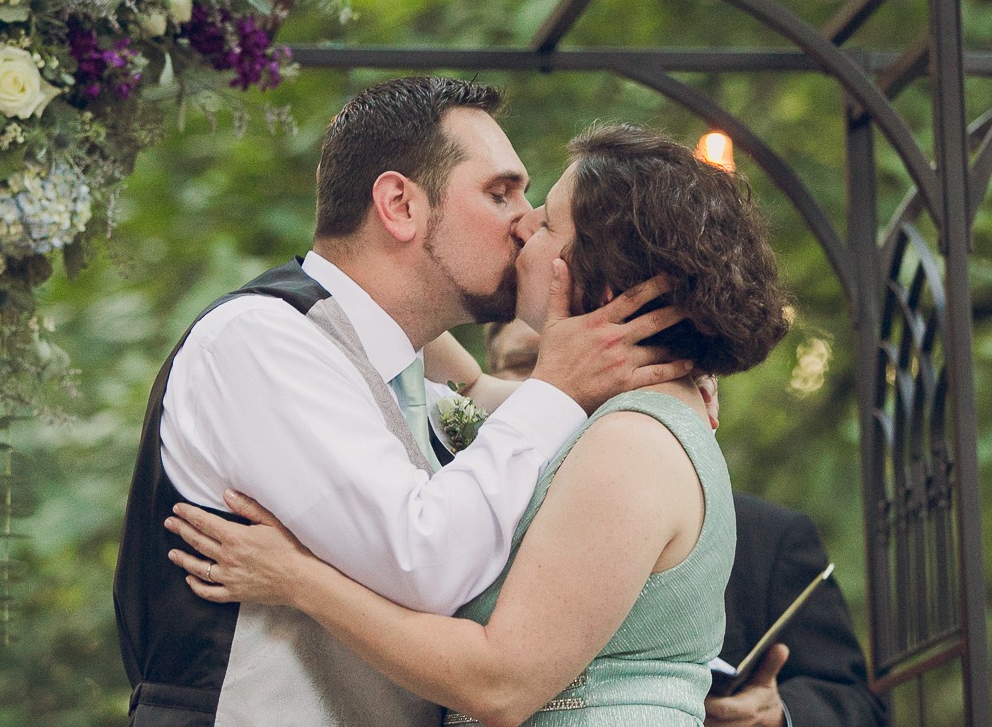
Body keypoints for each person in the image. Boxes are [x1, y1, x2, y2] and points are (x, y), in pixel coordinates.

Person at [167, 123, 793, 725]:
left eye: (546, 221)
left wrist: (300, 579)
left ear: (600, 284)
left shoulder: (632, 442)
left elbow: (499, 684)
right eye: (502, 197)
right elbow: (471, 388)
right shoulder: (600, 414)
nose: (523, 226)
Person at [483, 322, 888, 727]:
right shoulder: (476, 511)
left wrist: (778, 714)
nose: (558, 376)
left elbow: (861, 707)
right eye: (524, 364)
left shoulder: (770, 538)